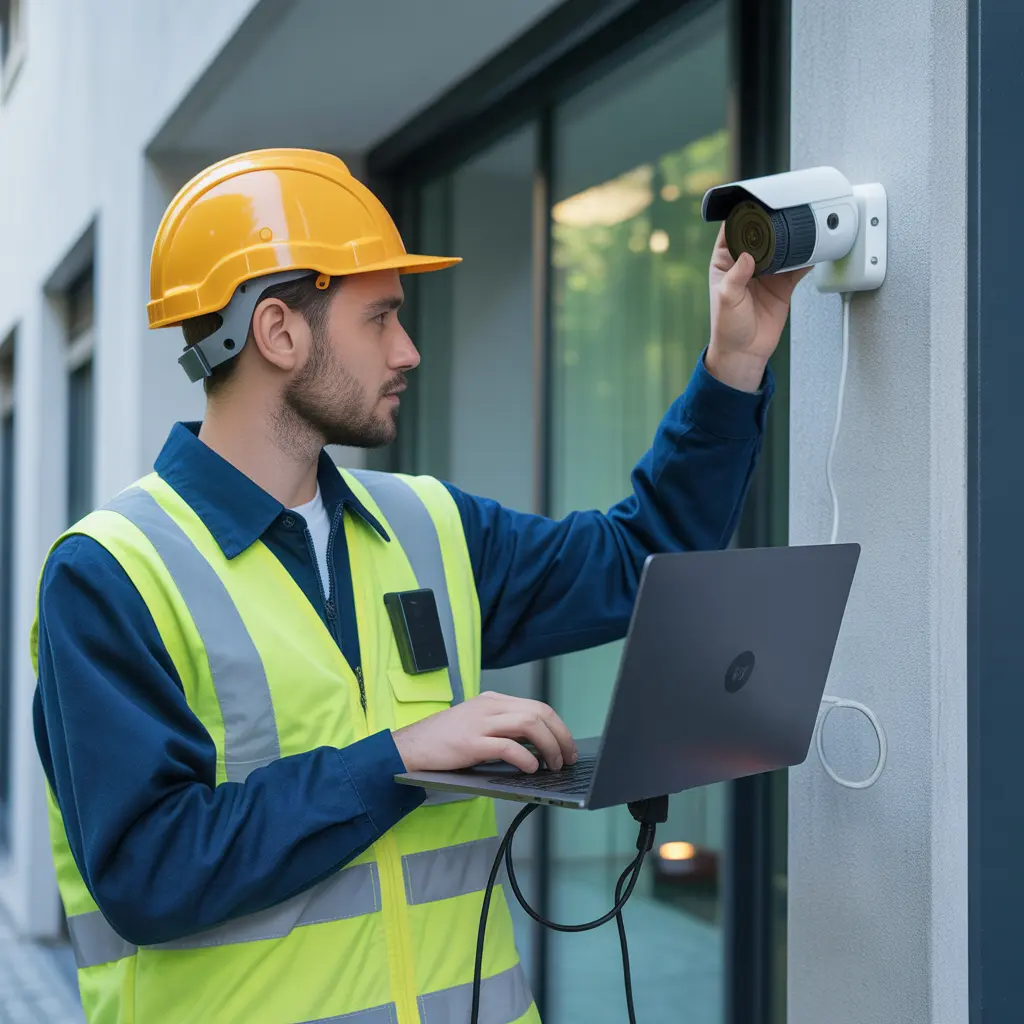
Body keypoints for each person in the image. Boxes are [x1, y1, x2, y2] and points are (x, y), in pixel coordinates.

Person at [31, 149, 808, 1024]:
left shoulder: (428, 526)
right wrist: (398, 757)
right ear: (279, 332)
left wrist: (734, 362)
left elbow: (642, 561)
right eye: (381, 318)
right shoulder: (112, 574)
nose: (409, 350)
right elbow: (148, 871)